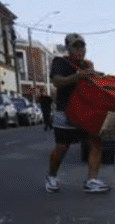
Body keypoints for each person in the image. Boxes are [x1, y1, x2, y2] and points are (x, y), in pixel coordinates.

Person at [45, 33, 109, 194]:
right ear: (68, 48)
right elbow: (57, 82)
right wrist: (77, 76)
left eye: (82, 46)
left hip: (86, 112)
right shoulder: (60, 62)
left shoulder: (88, 64)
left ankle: (92, 181)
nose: (80, 50)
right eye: (75, 46)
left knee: (95, 142)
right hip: (66, 112)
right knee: (62, 146)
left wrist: (96, 77)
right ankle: (51, 176)